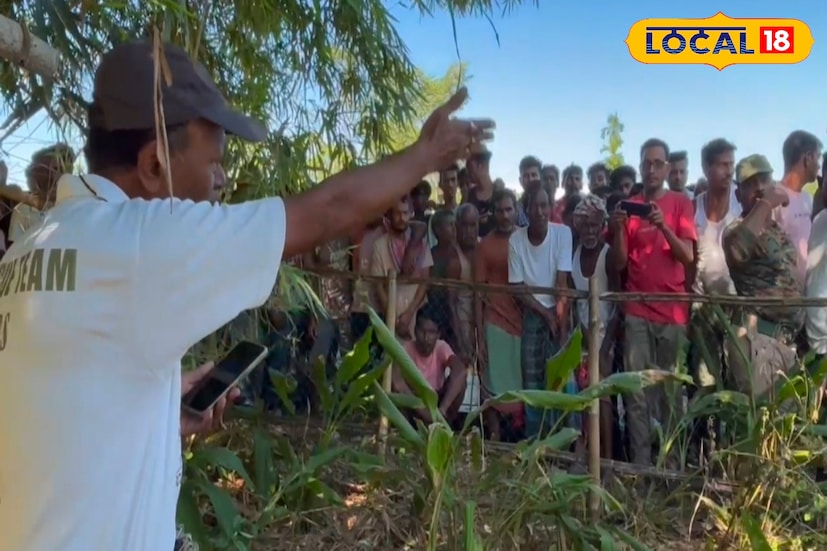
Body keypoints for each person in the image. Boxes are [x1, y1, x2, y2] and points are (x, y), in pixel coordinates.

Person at [0, 40, 493, 551]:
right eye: (213, 162)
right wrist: (426, 155)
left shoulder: (32, 249)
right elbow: (328, 210)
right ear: (153, 165)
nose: (223, 180)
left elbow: (61, 420)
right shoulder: (143, 241)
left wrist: (160, 414)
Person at [609, 138, 696, 467]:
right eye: (646, 162)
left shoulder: (680, 204)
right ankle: (642, 469)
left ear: (667, 167)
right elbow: (619, 263)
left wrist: (663, 227)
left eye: (657, 163)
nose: (651, 168)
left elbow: (687, 255)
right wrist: (618, 230)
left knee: (670, 395)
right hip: (636, 311)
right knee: (636, 395)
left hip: (671, 312)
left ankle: (671, 467)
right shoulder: (631, 205)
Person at [723, 155, 801, 399]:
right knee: (764, 429)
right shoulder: (736, 231)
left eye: (764, 180)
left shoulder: (777, 230)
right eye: (749, 184)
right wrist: (766, 202)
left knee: (783, 431)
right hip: (758, 341)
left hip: (785, 343)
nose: (758, 188)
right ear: (738, 195)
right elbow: (737, 251)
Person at [508, 186, 573, 437]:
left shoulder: (563, 234)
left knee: (562, 379)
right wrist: (546, 316)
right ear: (525, 209)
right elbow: (517, 287)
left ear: (550, 207)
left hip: (558, 308)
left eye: (544, 205)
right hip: (532, 311)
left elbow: (562, 283)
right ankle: (536, 439)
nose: (540, 211)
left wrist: (561, 322)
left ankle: (564, 439)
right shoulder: (516, 240)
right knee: (532, 378)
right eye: (534, 206)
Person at [475, 188, 524, 441]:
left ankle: (521, 440)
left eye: (509, 209)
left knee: (522, 386)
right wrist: (479, 336)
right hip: (494, 322)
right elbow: (478, 293)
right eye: (500, 210)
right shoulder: (485, 246)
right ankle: (493, 438)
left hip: (524, 324)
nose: (505, 215)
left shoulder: (525, 239)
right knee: (493, 384)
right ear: (493, 213)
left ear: (516, 210)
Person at [392, 306, 468, 425]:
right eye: (422, 331)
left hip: (437, 400)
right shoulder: (406, 349)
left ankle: (445, 424)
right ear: (415, 330)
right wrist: (423, 411)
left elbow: (460, 371)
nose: (426, 338)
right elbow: (397, 382)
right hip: (414, 400)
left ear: (438, 334)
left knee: (462, 384)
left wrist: (442, 410)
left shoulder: (441, 347)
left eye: (431, 332)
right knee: (395, 389)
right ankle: (407, 428)